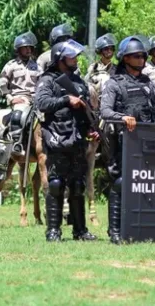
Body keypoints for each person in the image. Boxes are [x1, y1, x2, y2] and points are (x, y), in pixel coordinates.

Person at [100, 36, 155, 244]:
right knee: (119, 183)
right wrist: (123, 118)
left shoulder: (149, 84)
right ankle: (115, 231)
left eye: (143, 55)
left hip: (148, 143)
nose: (141, 59)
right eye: (136, 56)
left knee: (149, 183)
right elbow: (105, 111)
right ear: (125, 59)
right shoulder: (113, 84)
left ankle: (146, 227)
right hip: (122, 141)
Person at [36, 39, 98, 242]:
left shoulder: (79, 82)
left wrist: (92, 129)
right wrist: (65, 99)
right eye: (71, 56)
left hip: (78, 139)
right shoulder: (48, 80)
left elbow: (88, 110)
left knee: (78, 184)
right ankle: (53, 231)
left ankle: (80, 230)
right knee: (56, 184)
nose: (75, 59)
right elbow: (42, 103)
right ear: (60, 59)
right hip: (57, 138)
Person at [0, 31, 40, 154]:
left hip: (35, 98)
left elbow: (42, 82)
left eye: (29, 47)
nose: (28, 50)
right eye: (24, 48)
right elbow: (1, 83)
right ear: (18, 50)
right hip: (19, 98)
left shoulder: (37, 66)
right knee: (17, 116)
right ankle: (17, 144)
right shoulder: (11, 65)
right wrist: (10, 98)